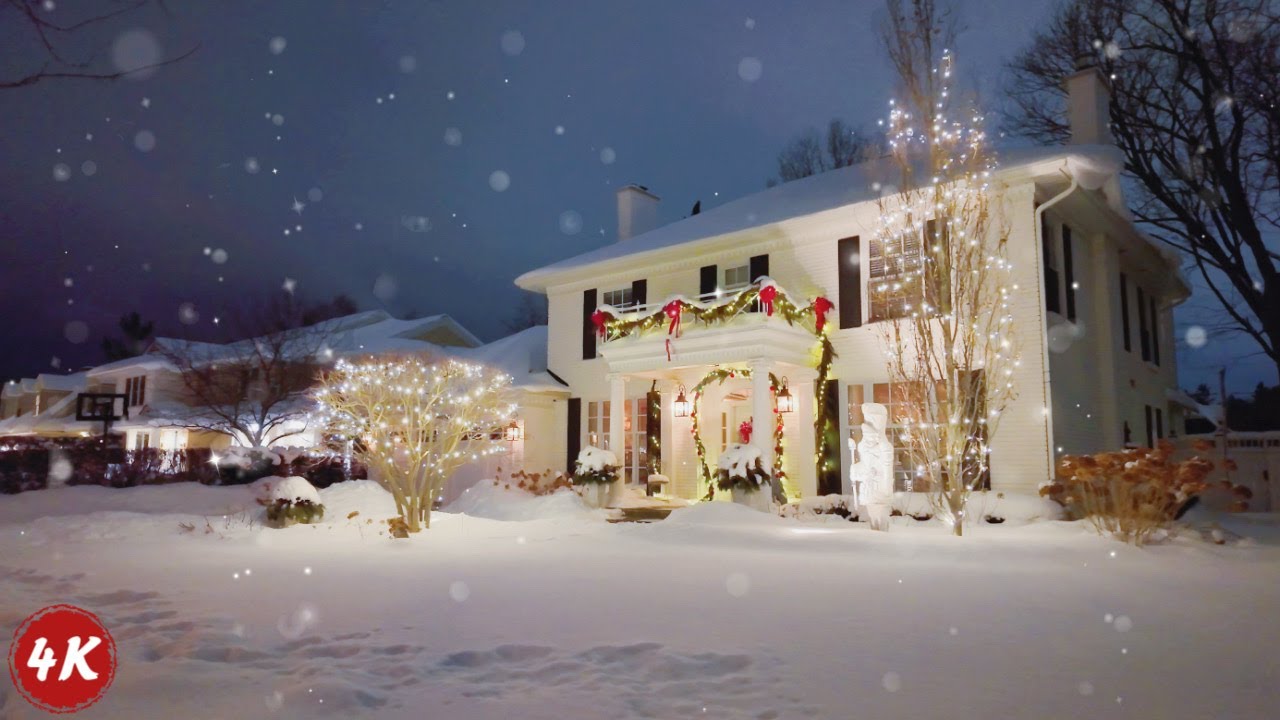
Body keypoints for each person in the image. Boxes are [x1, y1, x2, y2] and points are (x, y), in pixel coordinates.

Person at [850, 403, 895, 530]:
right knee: (872, 518)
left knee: (881, 519)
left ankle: (881, 538)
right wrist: (855, 471)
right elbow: (865, 467)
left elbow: (886, 470)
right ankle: (876, 535)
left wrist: (886, 487)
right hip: (869, 490)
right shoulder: (864, 448)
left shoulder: (884, 449)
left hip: (880, 490)